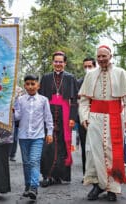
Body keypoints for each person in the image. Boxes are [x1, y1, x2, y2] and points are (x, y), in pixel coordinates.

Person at [78, 45, 126, 201]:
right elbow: (84, 100)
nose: (101, 59)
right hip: (95, 118)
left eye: (104, 56)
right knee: (94, 153)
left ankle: (112, 188)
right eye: (99, 56)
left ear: (111, 56)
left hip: (115, 117)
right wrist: (84, 116)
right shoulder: (90, 75)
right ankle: (98, 185)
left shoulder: (121, 73)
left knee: (112, 152)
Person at [38, 51, 78, 187]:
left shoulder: (70, 78)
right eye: (56, 61)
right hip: (49, 112)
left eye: (61, 62)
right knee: (48, 144)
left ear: (65, 63)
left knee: (62, 145)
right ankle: (47, 175)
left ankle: (60, 175)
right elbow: (41, 99)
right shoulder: (46, 77)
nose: (58, 64)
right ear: (52, 62)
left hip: (64, 114)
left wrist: (73, 117)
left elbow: (74, 100)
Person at [14, 74, 54, 200]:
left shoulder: (43, 100)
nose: (30, 87)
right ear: (24, 85)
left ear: (38, 85)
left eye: (33, 84)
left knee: (34, 161)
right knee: (26, 162)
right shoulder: (20, 100)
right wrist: (12, 112)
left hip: (38, 136)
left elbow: (48, 118)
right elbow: (17, 117)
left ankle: (34, 187)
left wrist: (49, 133)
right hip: (23, 136)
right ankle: (27, 186)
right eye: (28, 84)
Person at [76, 57, 96, 177]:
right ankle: (86, 174)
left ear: (95, 66)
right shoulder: (79, 82)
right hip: (83, 119)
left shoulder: (100, 79)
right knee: (85, 146)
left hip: (98, 117)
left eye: (90, 66)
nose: (88, 69)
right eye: (86, 67)